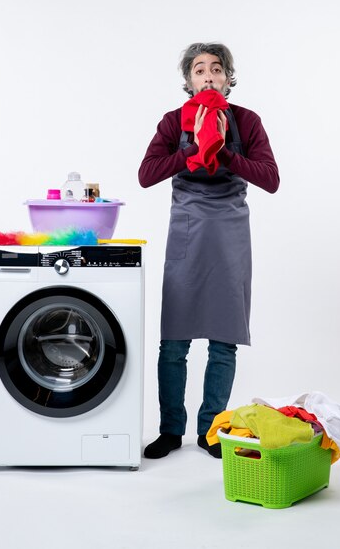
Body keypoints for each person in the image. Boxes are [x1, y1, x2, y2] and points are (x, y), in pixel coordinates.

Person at [138, 42, 279, 459]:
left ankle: (211, 430)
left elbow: (270, 179)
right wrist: (191, 151)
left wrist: (225, 152)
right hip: (187, 228)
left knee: (224, 339)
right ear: (189, 81)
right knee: (175, 340)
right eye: (199, 70)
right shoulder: (171, 123)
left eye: (216, 69)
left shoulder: (247, 122)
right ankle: (170, 430)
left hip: (229, 232)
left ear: (228, 78)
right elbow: (146, 175)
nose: (208, 76)